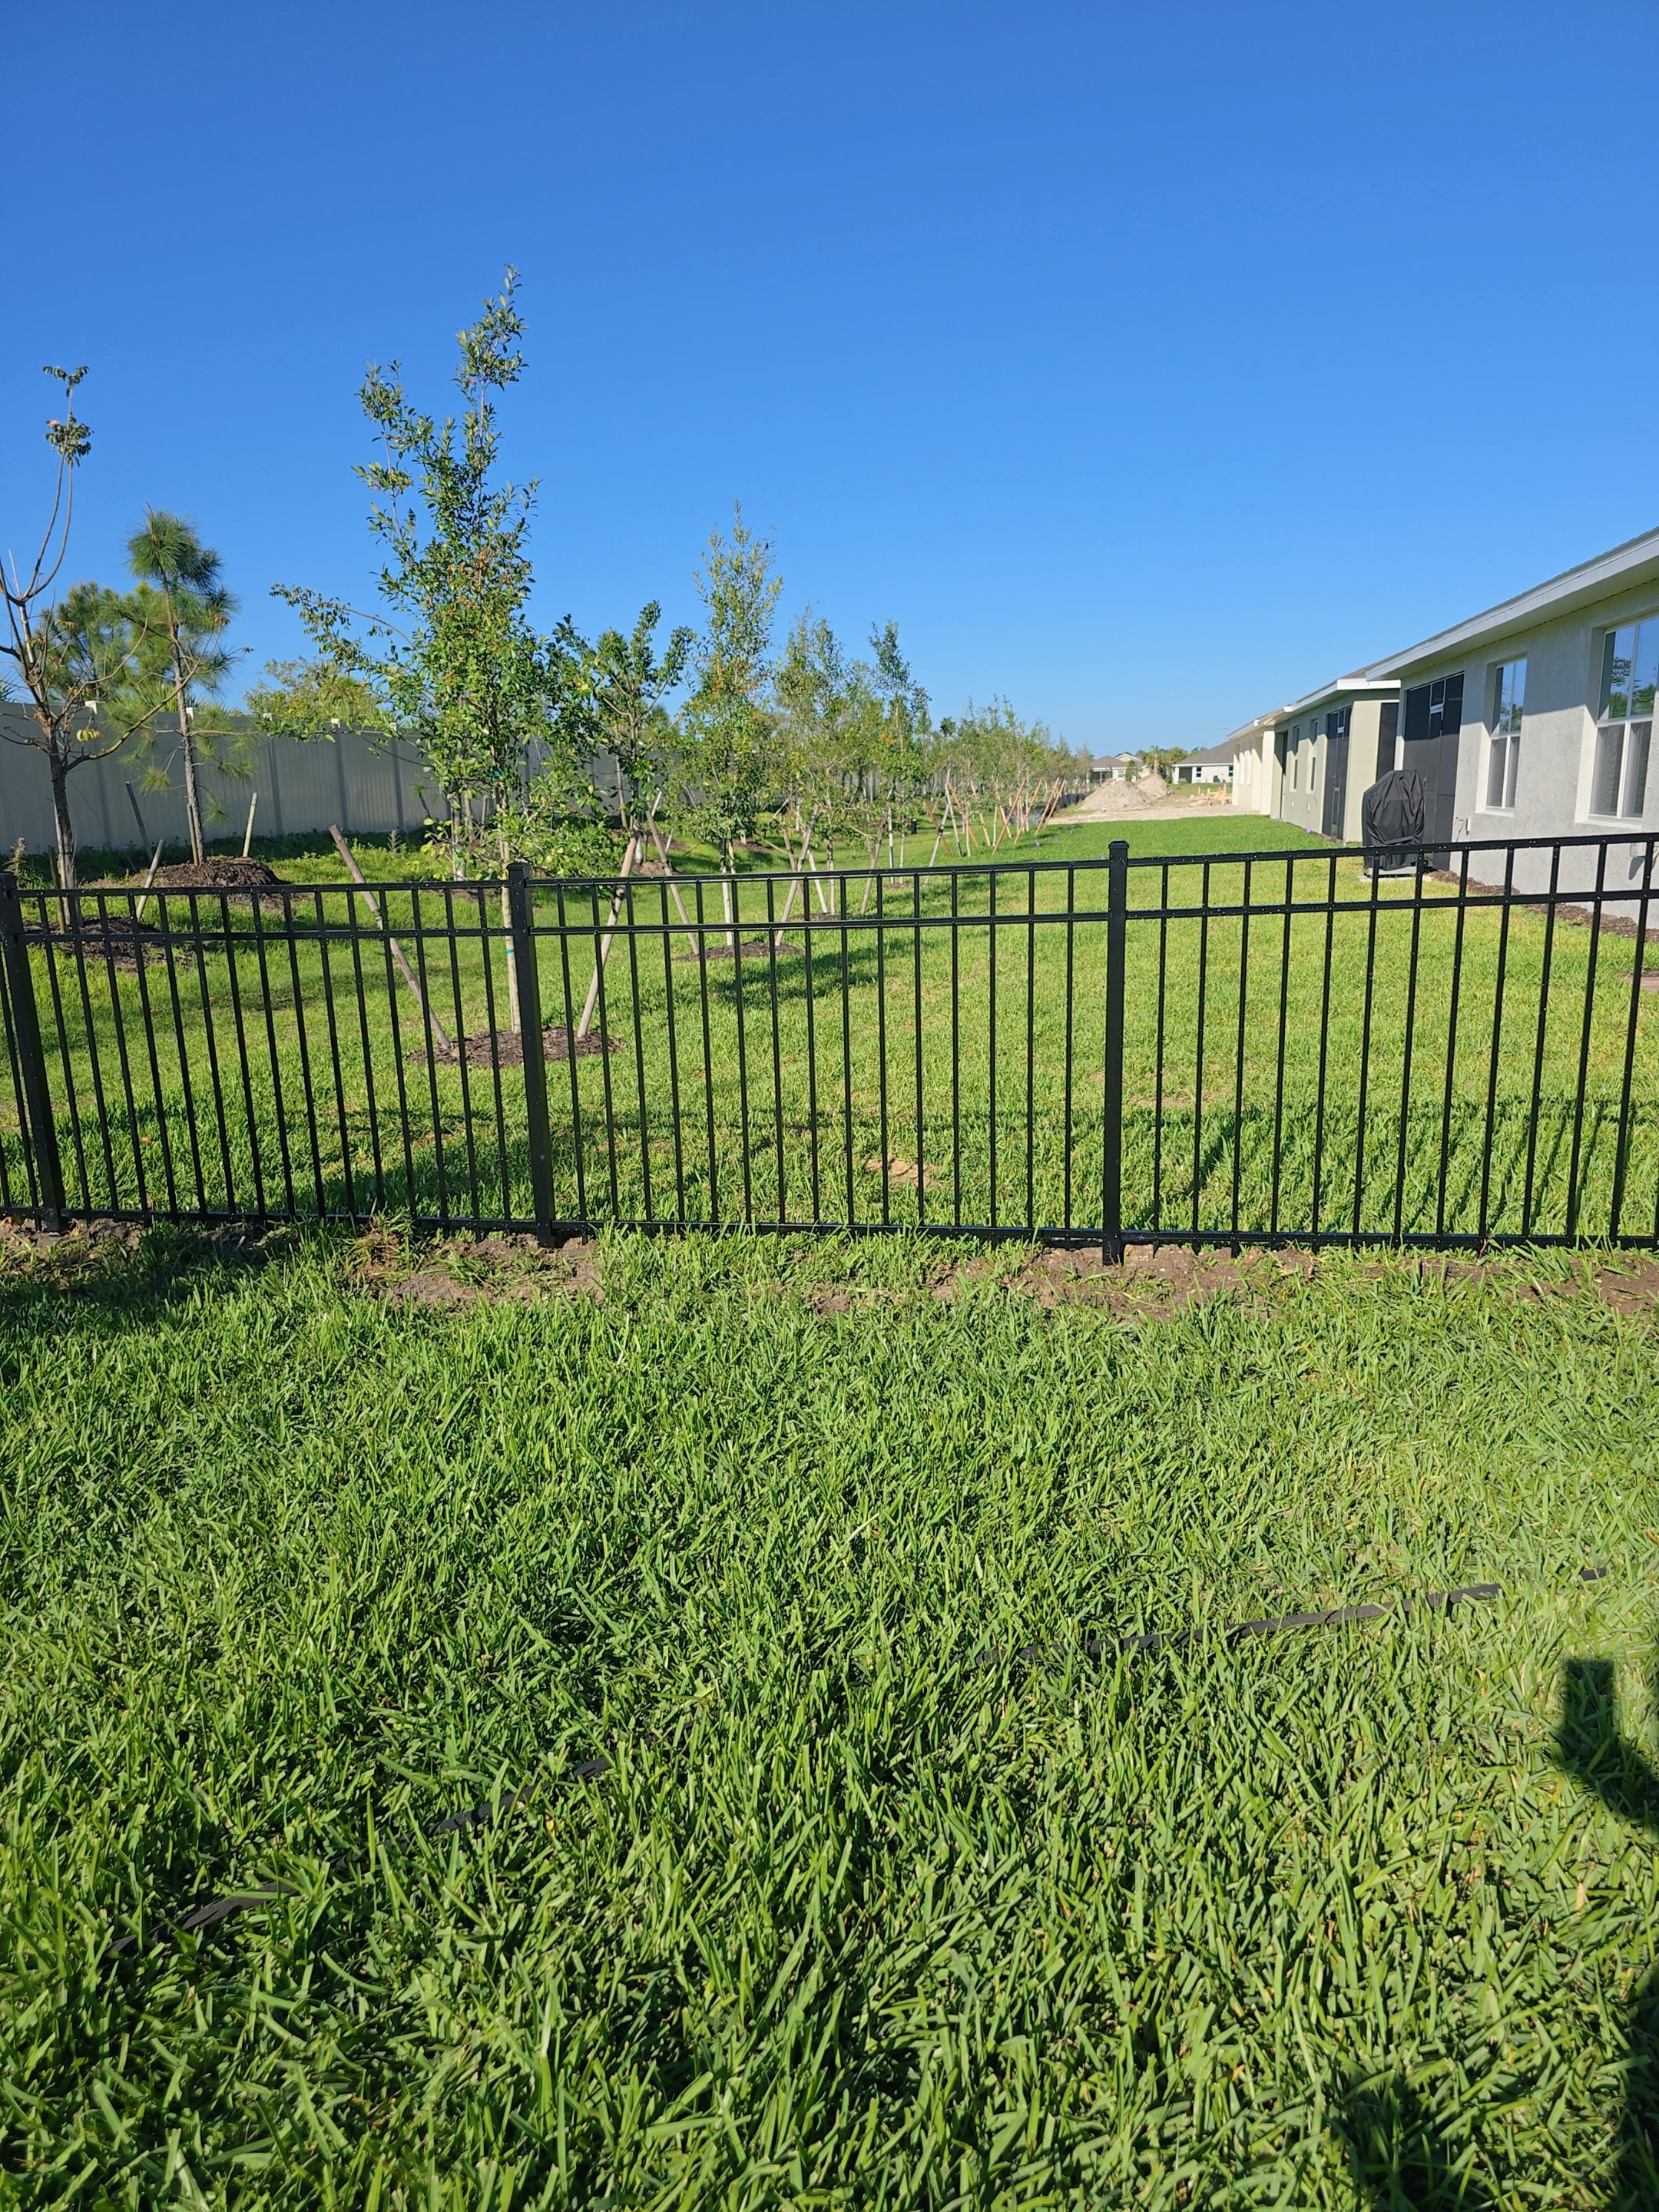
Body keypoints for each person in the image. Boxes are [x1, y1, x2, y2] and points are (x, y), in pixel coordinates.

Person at [1359, 765, 1426, 877]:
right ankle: (1407, 862)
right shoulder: (1412, 794)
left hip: (1382, 844)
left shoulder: (1375, 796)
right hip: (1407, 841)